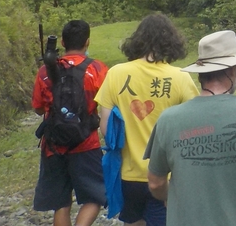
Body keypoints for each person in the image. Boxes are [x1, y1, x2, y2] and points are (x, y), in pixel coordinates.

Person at [145, 30, 236, 226]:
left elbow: (155, 182)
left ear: (201, 73)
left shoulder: (168, 119)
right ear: (231, 71)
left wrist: (173, 199)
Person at [95, 14, 198, 226]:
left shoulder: (116, 74)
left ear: (137, 40)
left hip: (128, 174)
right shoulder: (180, 77)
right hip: (168, 176)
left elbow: (105, 128)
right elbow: (195, 127)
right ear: (171, 41)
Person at [32, 20, 108, 226]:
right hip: (86, 143)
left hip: (53, 145)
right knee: (95, 196)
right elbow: (108, 103)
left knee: (61, 203)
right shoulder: (98, 69)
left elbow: (38, 108)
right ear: (87, 41)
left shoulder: (45, 70)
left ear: (63, 42)